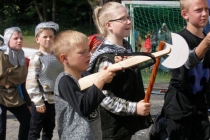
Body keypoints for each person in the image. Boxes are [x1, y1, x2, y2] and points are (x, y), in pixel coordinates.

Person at [88, 2, 152, 140]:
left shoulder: (126, 49)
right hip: (111, 130)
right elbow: (104, 98)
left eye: (128, 17)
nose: (128, 21)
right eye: (122, 19)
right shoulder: (105, 57)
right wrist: (134, 108)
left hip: (123, 126)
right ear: (108, 25)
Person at [153, 0, 210, 139]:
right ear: (185, 14)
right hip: (179, 106)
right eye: (198, 10)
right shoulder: (179, 39)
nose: (204, 14)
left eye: (207, 9)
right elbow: (188, 62)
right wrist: (207, 41)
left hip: (200, 105)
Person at [52, 30, 121, 140]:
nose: (89, 54)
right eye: (82, 52)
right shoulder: (64, 80)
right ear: (64, 59)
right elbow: (84, 108)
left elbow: (101, 89)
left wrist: (116, 65)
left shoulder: (86, 75)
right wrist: (101, 80)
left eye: (88, 50)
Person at [26, 21, 62, 140]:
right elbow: (31, 81)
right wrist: (38, 102)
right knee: (35, 129)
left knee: (49, 128)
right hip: (41, 98)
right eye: (45, 37)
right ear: (37, 39)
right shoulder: (37, 57)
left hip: (54, 99)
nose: (48, 39)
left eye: (51, 36)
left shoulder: (57, 56)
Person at [0, 27, 31, 140]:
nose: (19, 41)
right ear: (8, 40)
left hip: (13, 95)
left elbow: (23, 83)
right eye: (15, 38)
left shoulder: (22, 58)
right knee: (0, 128)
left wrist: (29, 103)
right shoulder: (1, 55)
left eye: (21, 38)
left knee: (27, 120)